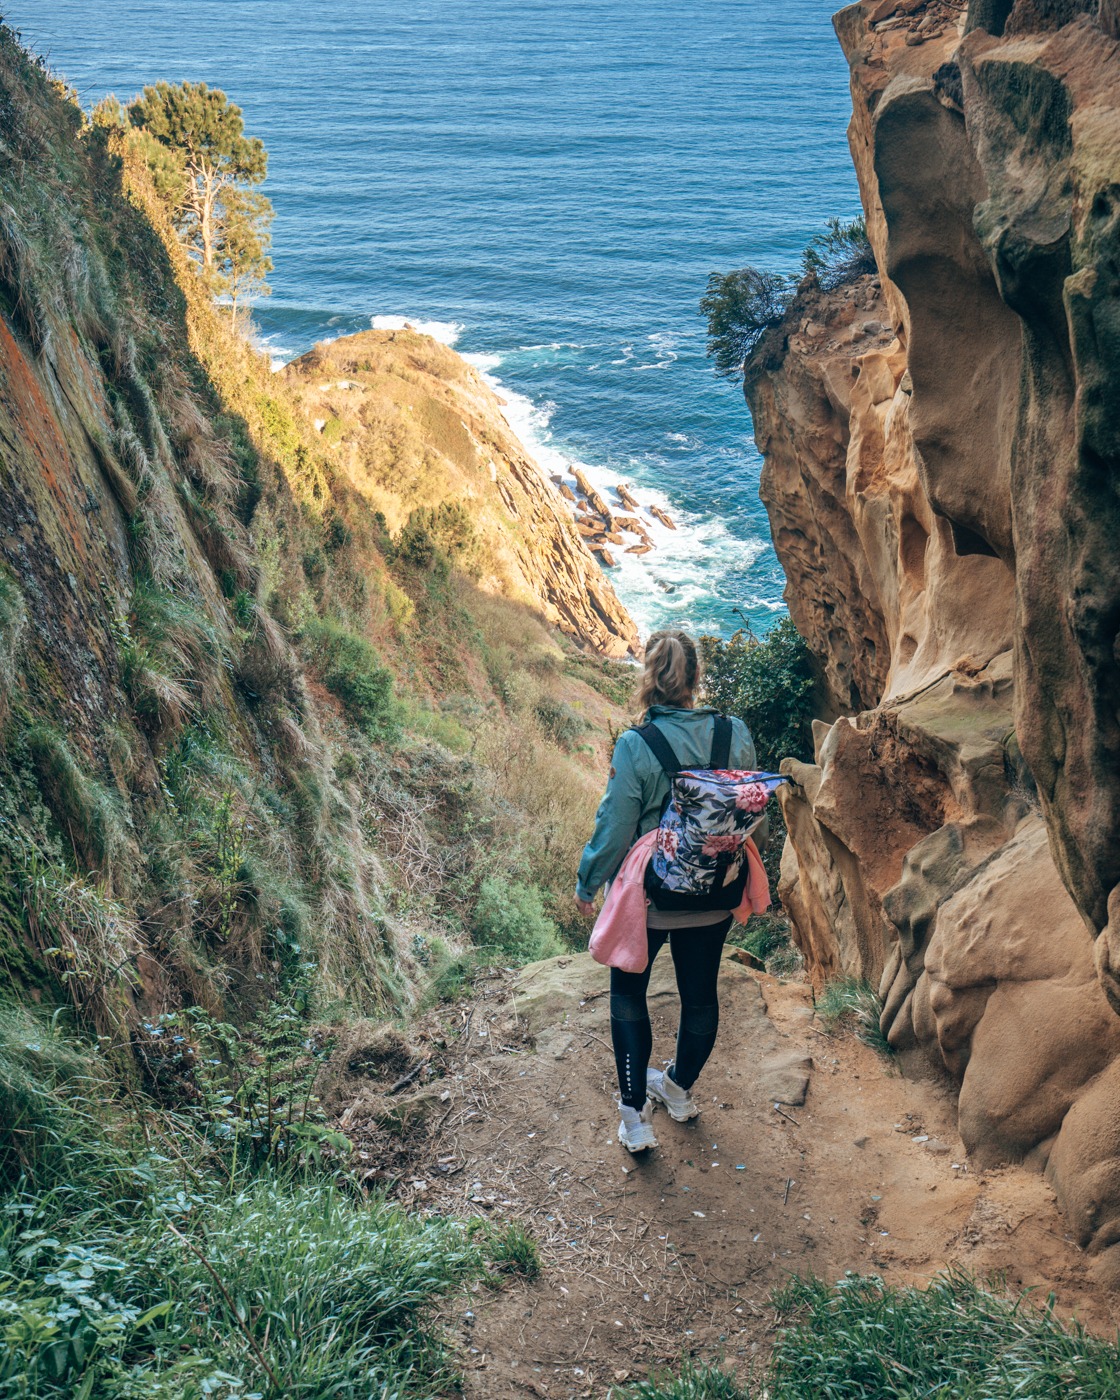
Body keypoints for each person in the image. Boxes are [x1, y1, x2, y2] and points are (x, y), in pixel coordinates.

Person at [574, 629, 759, 1153]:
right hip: (716, 893)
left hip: (651, 901)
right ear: (697, 678)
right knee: (700, 997)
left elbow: (615, 825)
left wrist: (589, 882)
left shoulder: (637, 745)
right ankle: (676, 1089)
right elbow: (751, 814)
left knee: (629, 993)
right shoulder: (735, 733)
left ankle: (635, 1117)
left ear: (648, 680)